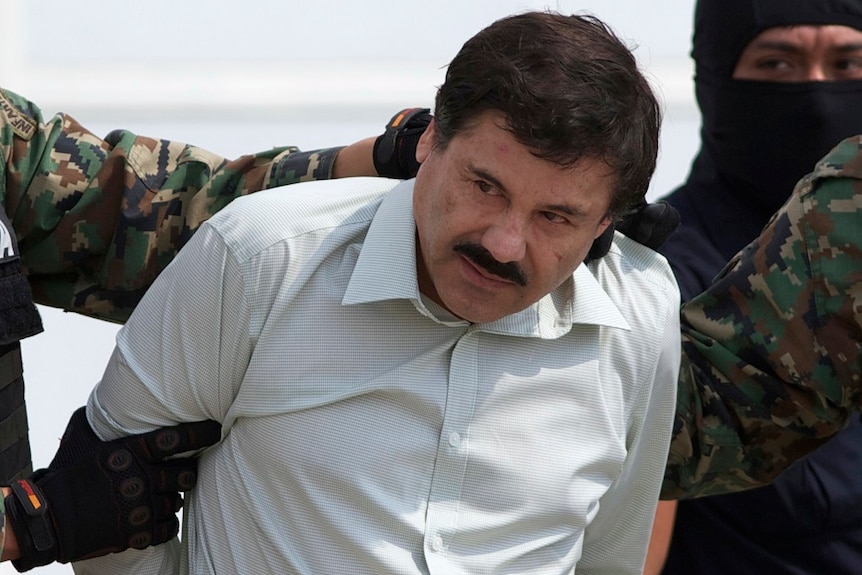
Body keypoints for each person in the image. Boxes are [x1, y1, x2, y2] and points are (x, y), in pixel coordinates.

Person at [64, 10, 862, 575]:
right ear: (429, 139)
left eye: (556, 215)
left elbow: (609, 555)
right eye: (485, 185)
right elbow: (103, 502)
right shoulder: (260, 258)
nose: (504, 242)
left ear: (608, 225)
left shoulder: (642, 309)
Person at [648, 1, 862, 573]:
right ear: (714, 78)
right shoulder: (654, 276)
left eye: (848, 64)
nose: (817, 96)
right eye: (778, 64)